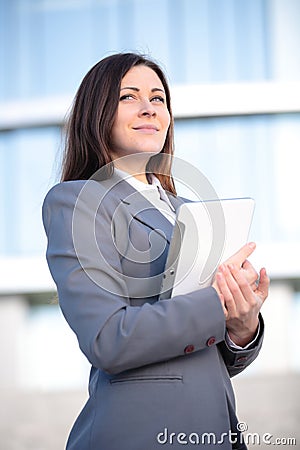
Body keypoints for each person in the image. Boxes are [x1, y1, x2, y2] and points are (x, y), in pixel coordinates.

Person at [42, 52, 269, 450]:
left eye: (158, 98)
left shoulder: (188, 213)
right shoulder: (78, 201)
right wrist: (216, 305)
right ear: (97, 114)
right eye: (128, 96)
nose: (149, 108)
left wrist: (241, 323)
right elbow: (107, 338)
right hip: (138, 435)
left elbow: (212, 360)